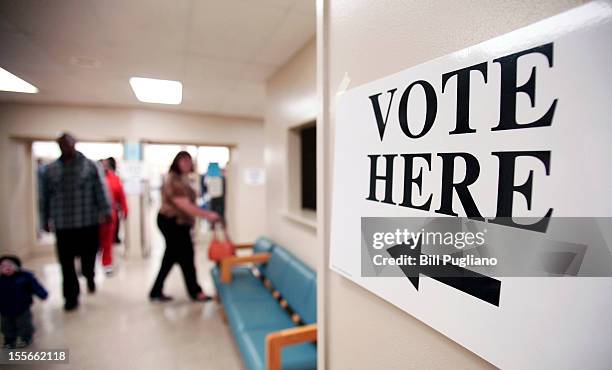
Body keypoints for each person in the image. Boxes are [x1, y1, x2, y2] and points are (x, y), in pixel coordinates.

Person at [39, 133, 112, 311]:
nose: (66, 147)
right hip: (63, 224)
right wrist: (44, 220)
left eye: (68, 144)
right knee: (66, 263)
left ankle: (89, 275)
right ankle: (71, 297)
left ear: (74, 144)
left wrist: (106, 211)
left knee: (89, 257)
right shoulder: (50, 170)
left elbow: (100, 190)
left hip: (87, 222)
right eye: (62, 144)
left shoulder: (90, 166)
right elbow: (44, 197)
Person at [149, 151, 220, 302]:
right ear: (177, 162)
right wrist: (208, 215)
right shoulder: (174, 180)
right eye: (184, 161)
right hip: (173, 222)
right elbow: (185, 206)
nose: (187, 164)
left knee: (171, 257)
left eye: (189, 161)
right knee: (186, 256)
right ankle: (195, 292)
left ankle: (156, 290)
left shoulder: (183, 178)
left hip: (179, 223)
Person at [0, 255, 48, 348]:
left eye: (10, 265)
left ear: (17, 266)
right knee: (6, 326)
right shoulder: (1, 280)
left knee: (24, 324)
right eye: (3, 266)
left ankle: (26, 337)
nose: (7, 268)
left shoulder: (25, 277)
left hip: (22, 307)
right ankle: (9, 340)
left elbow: (35, 286)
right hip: (4, 309)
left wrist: (42, 294)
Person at [99, 157, 128, 275]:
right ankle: (87, 266)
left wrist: (125, 210)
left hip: (110, 216)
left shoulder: (114, 179)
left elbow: (121, 196)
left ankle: (107, 263)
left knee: (107, 241)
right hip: (92, 217)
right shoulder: (93, 177)